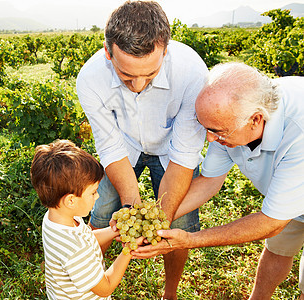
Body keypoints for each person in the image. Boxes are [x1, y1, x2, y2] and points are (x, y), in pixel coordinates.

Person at [133, 62, 304, 299]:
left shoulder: (298, 134)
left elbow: (271, 222)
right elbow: (209, 181)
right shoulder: (231, 116)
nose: (210, 139)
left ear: (255, 120)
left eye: (218, 131)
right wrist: (153, 219)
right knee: (277, 250)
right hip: (288, 196)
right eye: (207, 128)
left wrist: (190, 240)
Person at [76, 1, 208, 298]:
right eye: (126, 75)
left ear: (166, 49)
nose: (138, 85)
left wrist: (159, 223)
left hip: (172, 151)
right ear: (108, 53)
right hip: (124, 148)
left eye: (150, 74)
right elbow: (109, 144)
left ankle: (169, 293)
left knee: (178, 223)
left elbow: (185, 154)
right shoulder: (90, 79)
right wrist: (131, 205)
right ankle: (89, 283)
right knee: (104, 211)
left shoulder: (192, 74)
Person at [30, 139, 143, 299]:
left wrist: (113, 231)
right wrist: (129, 251)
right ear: (71, 200)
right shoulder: (74, 249)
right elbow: (106, 287)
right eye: (93, 192)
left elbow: (87, 239)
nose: (97, 196)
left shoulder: (56, 217)